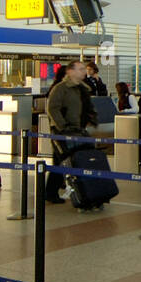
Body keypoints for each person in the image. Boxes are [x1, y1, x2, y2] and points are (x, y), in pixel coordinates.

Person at [45, 60, 96, 204]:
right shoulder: (61, 88)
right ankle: (52, 192)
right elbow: (53, 108)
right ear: (70, 71)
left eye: (84, 69)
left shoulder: (82, 88)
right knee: (61, 161)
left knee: (62, 162)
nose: (84, 72)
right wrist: (62, 127)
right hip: (63, 132)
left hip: (78, 130)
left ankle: (54, 192)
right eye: (80, 69)